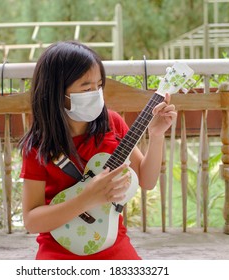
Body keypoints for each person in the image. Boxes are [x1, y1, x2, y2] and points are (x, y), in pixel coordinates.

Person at [18, 41, 176, 260]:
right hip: (58, 247)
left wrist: (157, 136)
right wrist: (86, 199)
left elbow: (147, 181)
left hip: (111, 242)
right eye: (86, 87)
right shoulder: (39, 145)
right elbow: (32, 221)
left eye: (99, 86)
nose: (95, 93)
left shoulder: (112, 123)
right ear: (56, 92)